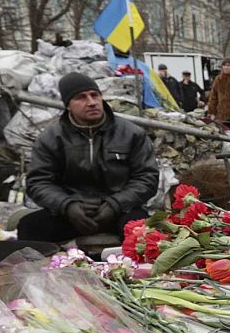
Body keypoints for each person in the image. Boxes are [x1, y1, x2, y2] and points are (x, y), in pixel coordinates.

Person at [20, 72, 160, 242]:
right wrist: (67, 205)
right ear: (68, 105)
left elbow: (147, 178)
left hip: (121, 210)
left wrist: (115, 204)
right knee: (29, 226)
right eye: (81, 97)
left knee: (143, 232)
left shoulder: (131, 133)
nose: (92, 102)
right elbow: (38, 182)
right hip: (72, 213)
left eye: (95, 95)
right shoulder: (51, 138)